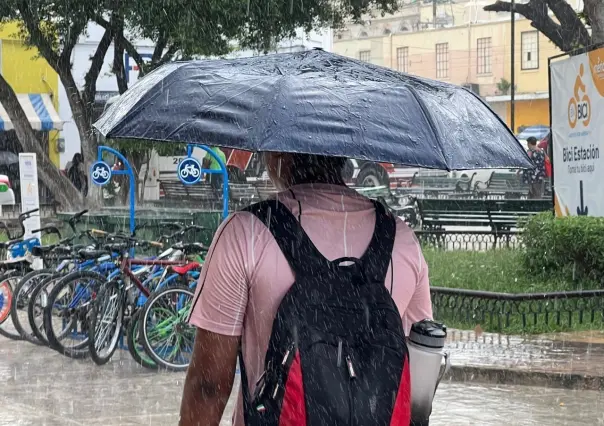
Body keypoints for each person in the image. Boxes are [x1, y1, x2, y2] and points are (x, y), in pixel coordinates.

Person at [179, 152, 433, 426]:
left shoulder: (245, 235)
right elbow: (420, 380)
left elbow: (209, 385)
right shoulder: (402, 240)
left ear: (280, 153)